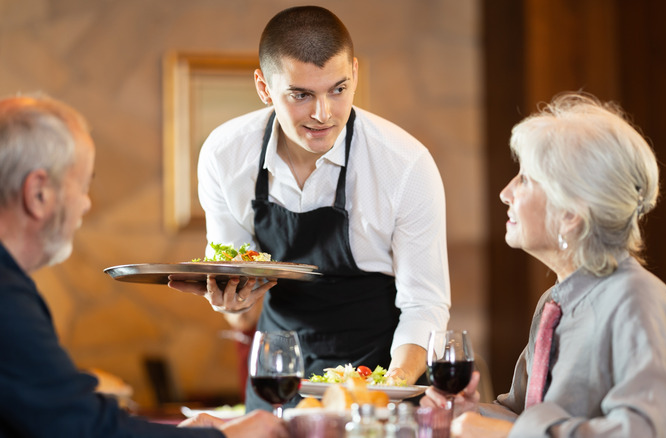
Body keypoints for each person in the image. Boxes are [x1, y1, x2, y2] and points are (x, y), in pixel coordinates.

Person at [169, 5, 450, 412]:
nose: (323, 114)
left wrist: (388, 387)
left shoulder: (405, 165)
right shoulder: (225, 154)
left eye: (338, 89)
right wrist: (233, 301)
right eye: (301, 95)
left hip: (379, 373)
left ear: (355, 72)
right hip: (278, 377)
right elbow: (235, 273)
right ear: (264, 87)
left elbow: (424, 304)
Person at [420, 92, 666, 437]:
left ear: (569, 214)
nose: (506, 192)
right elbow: (527, 416)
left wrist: (503, 435)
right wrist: (471, 412)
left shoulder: (636, 300)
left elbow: (643, 431)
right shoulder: (555, 303)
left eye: (525, 179)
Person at [0, 94, 288, 437]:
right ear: (39, 194)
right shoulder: (7, 299)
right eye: (83, 186)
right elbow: (85, 428)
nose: (86, 204)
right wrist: (226, 436)